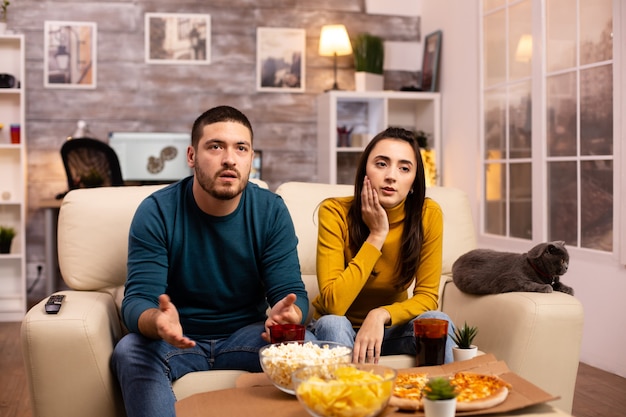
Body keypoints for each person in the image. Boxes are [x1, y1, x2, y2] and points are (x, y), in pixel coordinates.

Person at [111, 105, 310, 417]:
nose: (229, 158)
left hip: (246, 337)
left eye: (240, 148)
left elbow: (292, 292)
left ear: (251, 158)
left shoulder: (270, 212)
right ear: (191, 156)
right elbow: (137, 299)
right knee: (130, 350)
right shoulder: (157, 212)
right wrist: (158, 322)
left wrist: (292, 315)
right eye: (216, 146)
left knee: (304, 344)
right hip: (177, 340)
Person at [309, 126, 456, 364]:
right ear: (364, 171)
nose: (391, 176)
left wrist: (381, 315)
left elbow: (428, 297)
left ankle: (441, 398)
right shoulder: (334, 212)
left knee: (438, 320)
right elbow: (334, 305)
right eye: (381, 164)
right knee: (333, 322)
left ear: (414, 181)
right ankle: (352, 397)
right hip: (337, 330)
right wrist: (376, 235)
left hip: (389, 331)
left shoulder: (428, 214)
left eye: (404, 168)